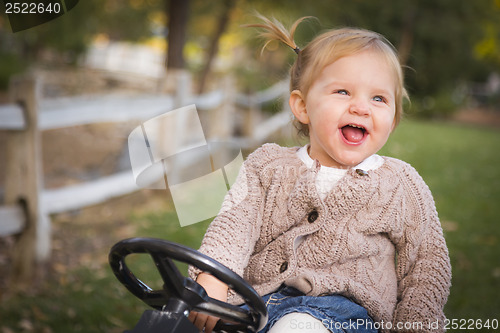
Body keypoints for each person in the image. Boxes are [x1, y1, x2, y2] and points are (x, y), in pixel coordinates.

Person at [188, 14, 452, 333]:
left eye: (379, 98)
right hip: (255, 300)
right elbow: (234, 225)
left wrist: (417, 323)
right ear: (302, 107)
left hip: (343, 310)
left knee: (297, 328)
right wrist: (213, 276)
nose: (361, 108)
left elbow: (427, 263)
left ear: (393, 119)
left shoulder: (400, 183)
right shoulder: (267, 165)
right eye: (343, 92)